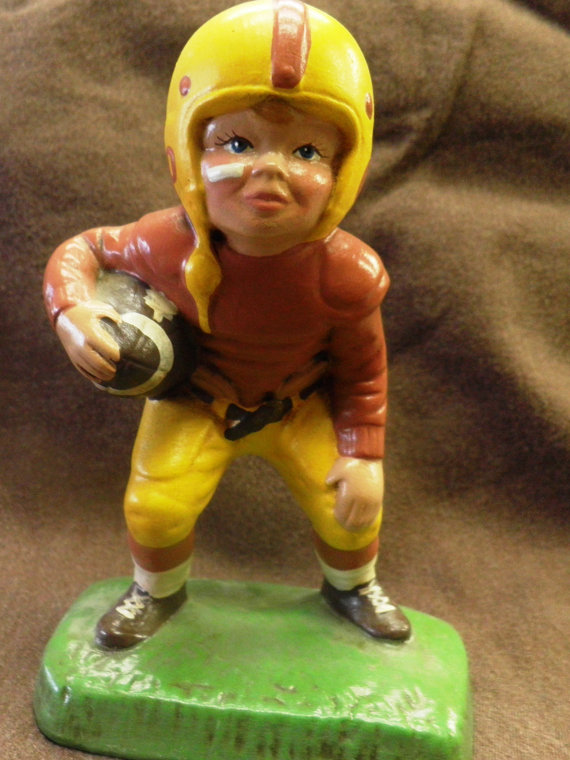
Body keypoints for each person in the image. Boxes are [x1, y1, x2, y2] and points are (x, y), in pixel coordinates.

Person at [43, 0, 411, 648]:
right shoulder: (164, 242)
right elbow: (86, 249)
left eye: (306, 150)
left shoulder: (346, 273)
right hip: (197, 401)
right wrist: (70, 308)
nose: (269, 169)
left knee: (348, 509)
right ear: (188, 150)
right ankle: (155, 591)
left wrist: (363, 453)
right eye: (237, 143)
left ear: (343, 172)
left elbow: (363, 370)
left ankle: (354, 586)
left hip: (298, 407)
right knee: (155, 507)